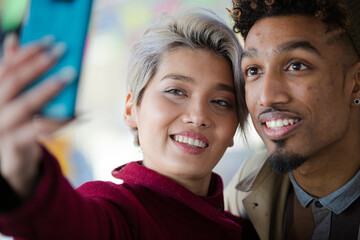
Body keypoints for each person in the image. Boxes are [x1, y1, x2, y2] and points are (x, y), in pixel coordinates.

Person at [0, 9, 258, 240]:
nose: (198, 115)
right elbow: (64, 222)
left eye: (222, 102)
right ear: (130, 109)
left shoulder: (248, 230)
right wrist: (24, 176)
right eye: (176, 91)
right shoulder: (117, 211)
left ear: (235, 126)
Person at [224, 0, 360, 239]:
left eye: (296, 66)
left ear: (356, 83)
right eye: (253, 70)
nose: (266, 97)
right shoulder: (246, 185)